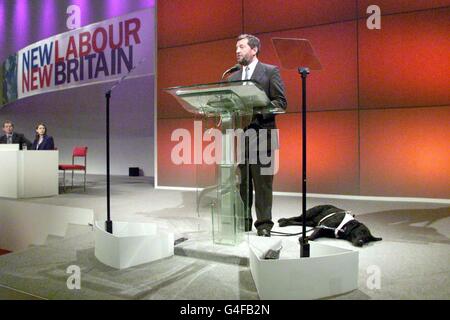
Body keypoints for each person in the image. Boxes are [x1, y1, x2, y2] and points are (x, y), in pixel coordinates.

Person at [227, 34, 287, 237]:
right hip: (242, 136)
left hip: (263, 135)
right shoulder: (232, 77)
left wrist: (257, 109)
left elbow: (281, 103)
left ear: (254, 50)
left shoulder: (270, 72)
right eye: (236, 47)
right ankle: (243, 221)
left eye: (241, 47)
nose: (237, 50)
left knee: (262, 183)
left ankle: (263, 225)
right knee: (243, 183)